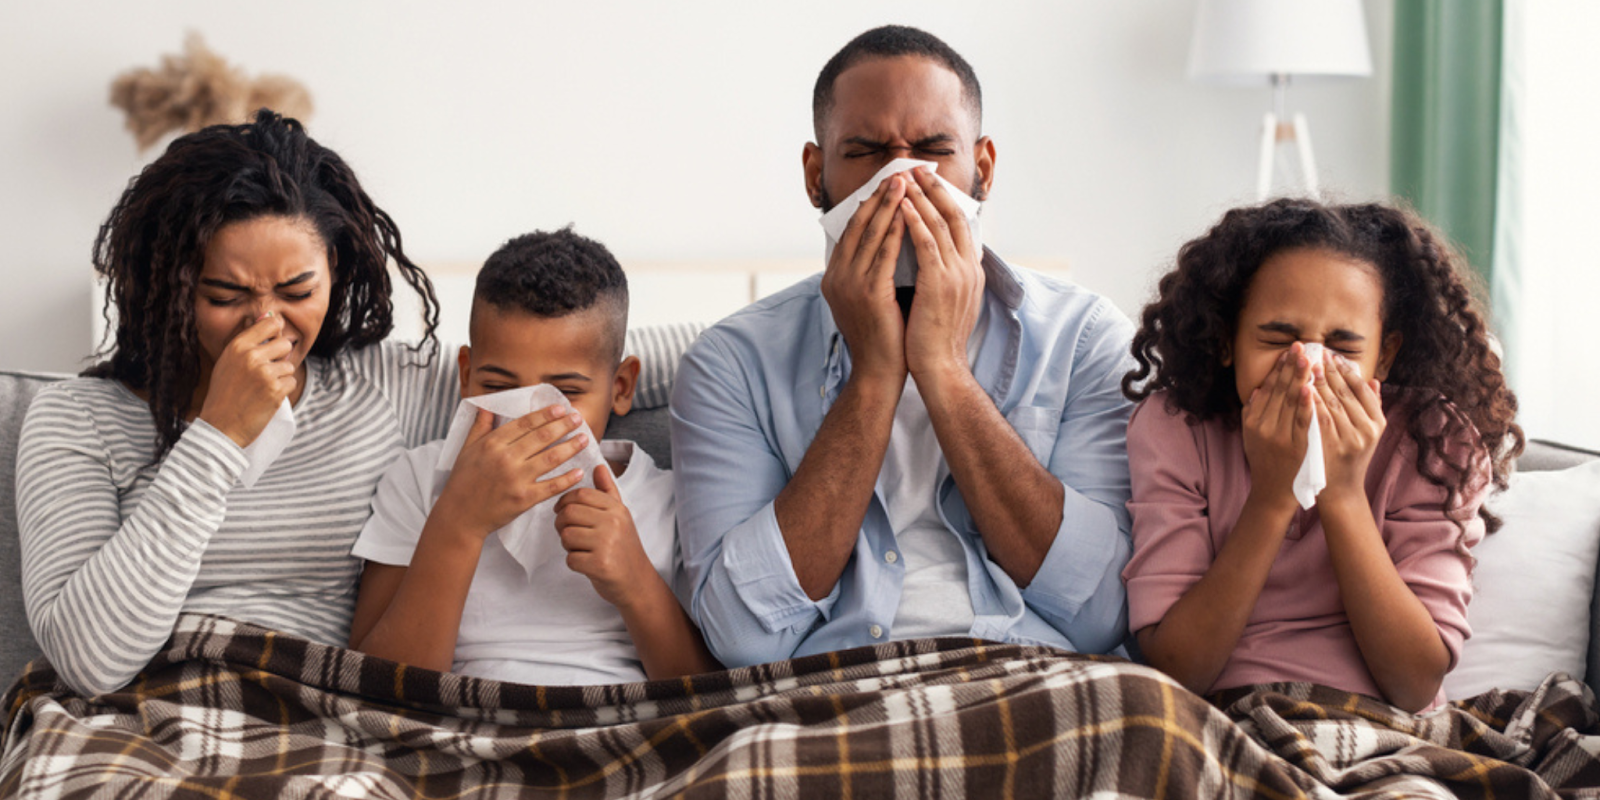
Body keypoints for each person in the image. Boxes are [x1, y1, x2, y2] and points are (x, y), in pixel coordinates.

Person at [671, 25, 1136, 668]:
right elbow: (744, 640)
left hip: (1041, 678)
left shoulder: (1085, 338)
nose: (899, 180)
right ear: (816, 176)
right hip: (832, 697)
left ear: (983, 168)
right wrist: (875, 375)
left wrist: (943, 368)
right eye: (864, 152)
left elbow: (1102, 616)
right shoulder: (731, 364)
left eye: (933, 150)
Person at [16, 110, 459, 697]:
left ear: (337, 271)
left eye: (298, 291)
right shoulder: (75, 421)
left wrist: (625, 381)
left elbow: (571, 366)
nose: (268, 322)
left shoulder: (380, 387)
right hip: (141, 715)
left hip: (313, 720)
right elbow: (90, 663)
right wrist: (218, 435)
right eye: (226, 295)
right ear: (167, 288)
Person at [1120, 198, 1523, 712]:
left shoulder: (1429, 439)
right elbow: (1177, 669)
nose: (1308, 367)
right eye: (1279, 338)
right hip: (1220, 716)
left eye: (1344, 349)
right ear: (1227, 342)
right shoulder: (1177, 429)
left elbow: (1415, 684)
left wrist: (1344, 494)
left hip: (1378, 722)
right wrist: (1271, 497)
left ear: (1385, 354)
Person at [347, 229, 717, 684]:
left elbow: (704, 692)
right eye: (499, 388)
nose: (526, 418)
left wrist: (636, 579)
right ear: (465, 377)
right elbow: (370, 684)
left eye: (564, 393)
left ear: (620, 388)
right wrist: (458, 523)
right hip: (453, 723)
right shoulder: (420, 479)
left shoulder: (669, 500)